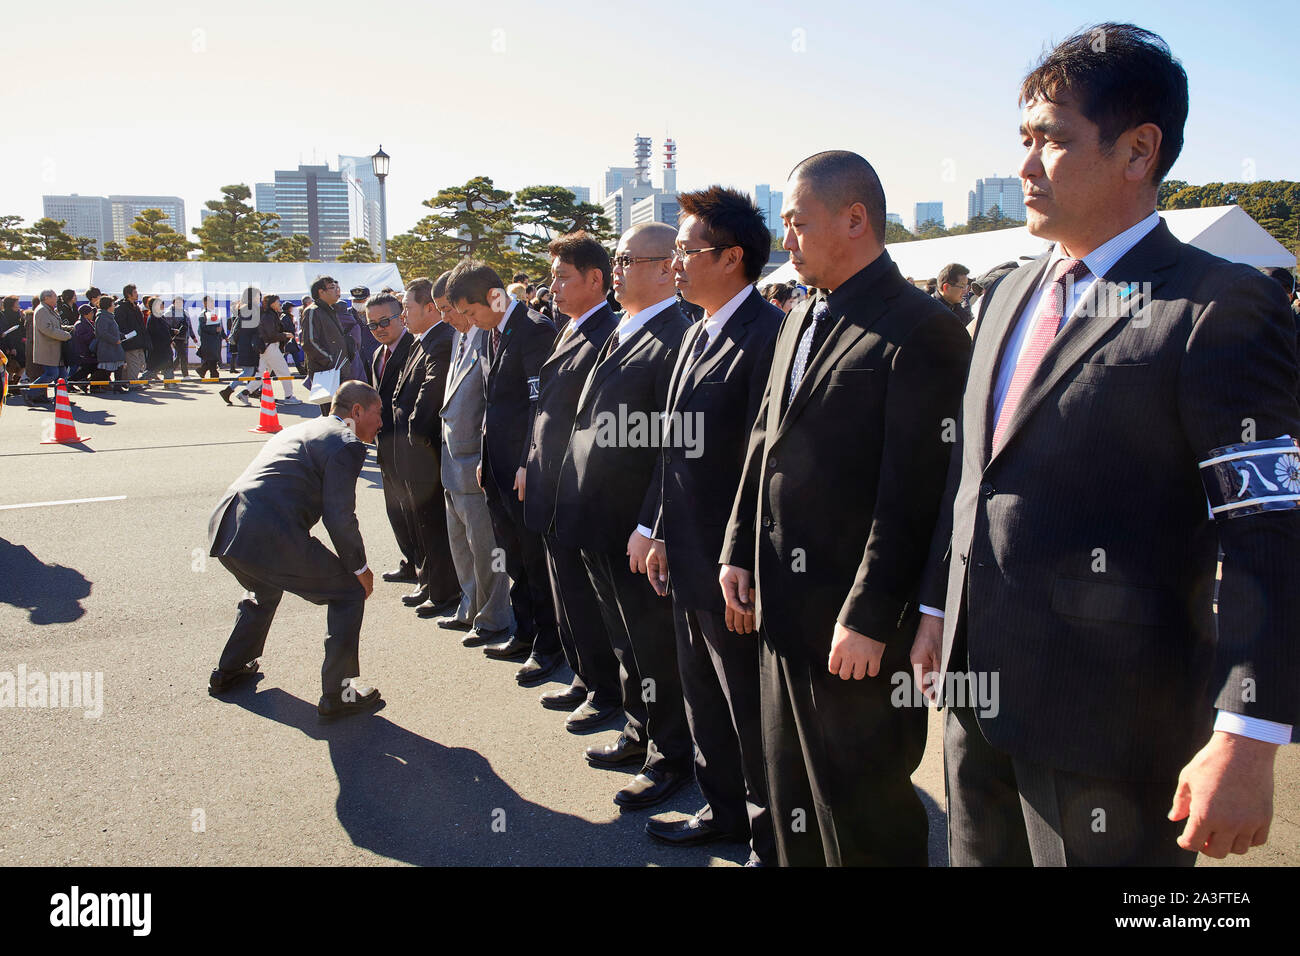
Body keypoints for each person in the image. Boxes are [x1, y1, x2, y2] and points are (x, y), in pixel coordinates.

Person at [911, 23, 1300, 868]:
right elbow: (974, 472)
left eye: (1051, 139)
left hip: (1116, 733)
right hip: (977, 706)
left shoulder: (1217, 307)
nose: (1024, 165)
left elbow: (1269, 531)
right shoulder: (1009, 293)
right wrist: (940, 609)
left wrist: (1249, 732)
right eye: (1023, 139)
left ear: (1138, 150)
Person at [719, 150, 971, 866]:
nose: (786, 239)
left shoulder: (923, 330)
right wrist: (738, 548)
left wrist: (869, 617)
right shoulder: (798, 315)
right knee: (790, 796)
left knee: (862, 821)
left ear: (855, 218)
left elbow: (916, 496)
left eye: (798, 222)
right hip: (780, 612)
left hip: (854, 634)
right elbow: (763, 440)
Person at [641, 187, 782, 863]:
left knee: (748, 709)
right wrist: (664, 531)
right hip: (687, 557)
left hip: (732, 568)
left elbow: (766, 471)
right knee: (704, 696)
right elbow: (676, 452)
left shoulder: (768, 339)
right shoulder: (697, 330)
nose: (675, 264)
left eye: (686, 251)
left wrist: (744, 562)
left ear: (731, 258)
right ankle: (723, 809)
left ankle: (768, 835)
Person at [552, 221, 693, 810]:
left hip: (632, 525)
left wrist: (649, 525)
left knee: (653, 646)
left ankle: (670, 759)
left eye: (629, 260)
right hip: (598, 519)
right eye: (617, 258)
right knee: (625, 642)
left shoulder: (675, 335)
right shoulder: (626, 328)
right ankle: (639, 732)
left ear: (666, 267)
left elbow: (673, 447)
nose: (617, 268)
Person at [207, 381, 384, 721]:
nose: (380, 423)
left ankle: (229, 670)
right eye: (377, 414)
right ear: (357, 411)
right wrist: (360, 569)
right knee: (348, 594)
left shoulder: (305, 428)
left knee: (263, 588)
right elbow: (339, 515)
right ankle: (339, 694)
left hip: (229, 525)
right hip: (267, 532)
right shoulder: (346, 443)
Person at [522, 232, 621, 710]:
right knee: (565, 592)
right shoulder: (572, 326)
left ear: (595, 279)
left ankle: (604, 689)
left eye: (562, 277)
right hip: (549, 483)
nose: (553, 287)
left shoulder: (608, 333)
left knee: (586, 598)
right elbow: (545, 407)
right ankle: (584, 677)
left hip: (576, 488)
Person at [448, 260, 559, 670]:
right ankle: (524, 631)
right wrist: (481, 455)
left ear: (494, 296)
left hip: (523, 470)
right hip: (494, 465)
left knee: (533, 557)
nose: (470, 321)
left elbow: (540, 403)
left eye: (472, 312)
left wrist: (530, 461)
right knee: (512, 555)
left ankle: (548, 644)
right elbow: (490, 400)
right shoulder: (490, 333)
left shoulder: (535, 330)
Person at [432, 272, 514, 645]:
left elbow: (492, 402)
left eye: (449, 309)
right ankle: (469, 607)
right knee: (460, 543)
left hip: (474, 461)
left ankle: (494, 617)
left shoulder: (488, 336)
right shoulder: (458, 336)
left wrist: (484, 455)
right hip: (452, 459)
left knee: (486, 548)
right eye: (441, 310)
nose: (446, 317)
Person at [393, 277, 460, 618]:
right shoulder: (422, 340)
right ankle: (429, 582)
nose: (403, 314)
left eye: (407, 307)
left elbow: (430, 394)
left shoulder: (442, 341)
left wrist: (412, 437)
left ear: (430, 308)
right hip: (410, 447)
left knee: (434, 523)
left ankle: (445, 591)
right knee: (421, 522)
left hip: (426, 448)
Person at [366, 292, 419, 586]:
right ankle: (409, 562)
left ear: (401, 316)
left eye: (384, 321)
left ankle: (425, 569)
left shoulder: (415, 348)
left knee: (415, 512)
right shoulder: (376, 355)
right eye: (372, 325)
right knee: (395, 508)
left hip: (410, 447)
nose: (379, 329)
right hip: (384, 445)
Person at [301, 276, 349, 416]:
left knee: (340, 412)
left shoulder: (330, 310)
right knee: (330, 413)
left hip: (338, 369)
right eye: (332, 287)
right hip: (326, 371)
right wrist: (329, 360)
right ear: (321, 292)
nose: (336, 290)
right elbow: (309, 342)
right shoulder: (313, 311)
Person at [221, 287, 265, 405]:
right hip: (249, 344)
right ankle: (229, 390)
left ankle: (249, 391)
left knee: (252, 371)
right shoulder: (251, 308)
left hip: (245, 343)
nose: (259, 298)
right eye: (257, 295)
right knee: (248, 371)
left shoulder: (245, 308)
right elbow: (252, 328)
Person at [255, 295, 300, 403]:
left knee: (262, 373)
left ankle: (244, 392)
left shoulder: (271, 314)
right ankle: (289, 396)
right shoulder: (269, 316)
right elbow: (271, 334)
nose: (280, 303)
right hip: (271, 346)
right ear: (272, 303)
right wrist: (285, 335)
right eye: (277, 301)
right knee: (284, 371)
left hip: (269, 347)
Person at [28, 289, 70, 404]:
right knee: (52, 374)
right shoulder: (42, 310)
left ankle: (61, 399)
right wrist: (65, 335)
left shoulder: (49, 310)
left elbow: (56, 326)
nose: (57, 298)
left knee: (62, 375)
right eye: (55, 296)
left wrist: (69, 328)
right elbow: (47, 329)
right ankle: (28, 392)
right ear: (46, 298)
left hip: (55, 349)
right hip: (48, 349)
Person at [93, 295, 129, 393]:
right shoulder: (102, 317)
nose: (114, 306)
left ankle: (117, 386)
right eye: (113, 304)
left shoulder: (109, 317)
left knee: (118, 367)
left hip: (114, 347)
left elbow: (113, 331)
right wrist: (115, 340)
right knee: (106, 369)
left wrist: (123, 336)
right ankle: (93, 385)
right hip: (107, 347)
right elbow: (102, 333)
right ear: (108, 305)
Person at [144, 295, 176, 387]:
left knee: (167, 365)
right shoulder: (153, 318)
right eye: (161, 304)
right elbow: (157, 332)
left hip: (164, 347)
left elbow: (166, 329)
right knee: (153, 368)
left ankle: (169, 383)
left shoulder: (160, 317)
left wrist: (172, 331)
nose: (162, 306)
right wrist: (168, 339)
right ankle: (139, 382)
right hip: (158, 348)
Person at [69, 304, 98, 391]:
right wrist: (93, 334)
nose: (93, 314)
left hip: (88, 350)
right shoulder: (80, 324)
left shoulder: (89, 322)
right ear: (86, 314)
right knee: (86, 369)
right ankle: (70, 382)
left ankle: (82, 384)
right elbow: (81, 338)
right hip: (83, 351)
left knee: (89, 368)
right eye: (91, 312)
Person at [196, 295, 226, 381]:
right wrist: (214, 330)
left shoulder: (214, 312)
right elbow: (203, 327)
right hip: (208, 340)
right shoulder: (203, 314)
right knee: (212, 358)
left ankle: (202, 370)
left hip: (216, 339)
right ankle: (214, 375)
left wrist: (223, 335)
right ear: (205, 303)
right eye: (210, 302)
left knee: (213, 358)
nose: (212, 303)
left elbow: (219, 325)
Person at [167, 296, 197, 379]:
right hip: (175, 338)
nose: (180, 304)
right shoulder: (170, 313)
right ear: (174, 303)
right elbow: (167, 326)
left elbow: (189, 326)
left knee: (180, 356)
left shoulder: (185, 313)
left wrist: (193, 336)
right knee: (183, 355)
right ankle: (185, 375)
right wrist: (172, 332)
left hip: (184, 338)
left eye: (181, 303)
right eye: (178, 302)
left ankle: (169, 371)